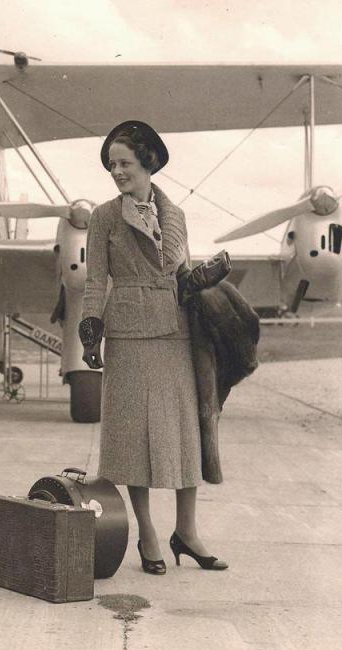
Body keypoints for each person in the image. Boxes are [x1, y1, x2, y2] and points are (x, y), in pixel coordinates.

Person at [79, 120, 228, 575]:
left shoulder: (175, 215)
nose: (117, 172)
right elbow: (94, 280)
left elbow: (181, 277)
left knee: (184, 434)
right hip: (126, 333)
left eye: (124, 163)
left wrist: (201, 278)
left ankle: (187, 532)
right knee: (132, 439)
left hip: (173, 333)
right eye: (111, 166)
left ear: (149, 163)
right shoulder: (104, 216)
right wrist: (90, 327)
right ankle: (146, 533)